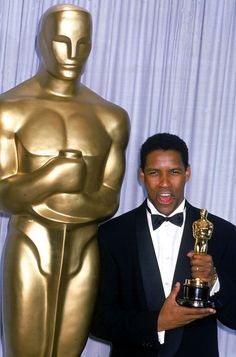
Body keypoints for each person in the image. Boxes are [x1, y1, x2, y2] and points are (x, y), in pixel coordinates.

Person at [0, 4, 129, 357]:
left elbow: (109, 200)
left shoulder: (110, 117)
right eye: (61, 41)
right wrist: (52, 176)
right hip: (30, 243)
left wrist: (70, 196)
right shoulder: (10, 109)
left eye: (82, 43)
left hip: (84, 250)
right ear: (41, 42)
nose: (73, 54)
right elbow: (4, 195)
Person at [91, 133, 236, 357]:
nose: (165, 183)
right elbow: (97, 319)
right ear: (141, 175)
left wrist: (214, 283)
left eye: (174, 172)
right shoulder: (112, 234)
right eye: (154, 172)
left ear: (187, 173)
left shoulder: (222, 233)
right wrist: (157, 323)